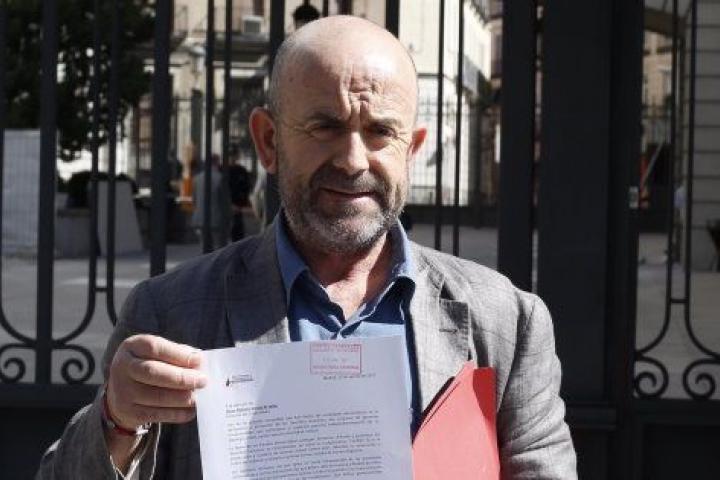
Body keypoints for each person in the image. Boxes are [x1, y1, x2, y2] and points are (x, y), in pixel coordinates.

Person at [37, 16, 576, 479]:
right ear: (269, 141)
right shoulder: (170, 313)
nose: (353, 160)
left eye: (380, 132)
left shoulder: (506, 321)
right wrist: (117, 422)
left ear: (412, 149)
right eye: (325, 127)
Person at [191, 153, 231, 248]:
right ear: (217, 162)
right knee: (218, 247)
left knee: (203, 246)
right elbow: (225, 201)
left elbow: (194, 199)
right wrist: (229, 217)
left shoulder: (196, 178)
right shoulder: (220, 178)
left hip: (200, 218)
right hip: (216, 219)